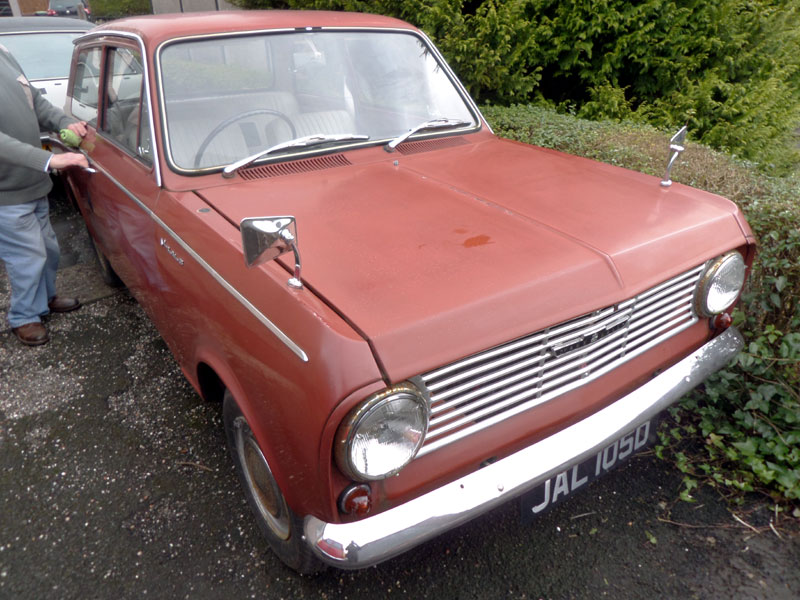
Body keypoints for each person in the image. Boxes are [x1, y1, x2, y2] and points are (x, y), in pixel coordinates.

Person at [0, 42, 89, 346]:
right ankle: (24, 316)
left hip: (33, 183)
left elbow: (35, 102)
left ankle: (45, 299)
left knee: (48, 250)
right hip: (6, 191)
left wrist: (65, 123)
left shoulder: (4, 54)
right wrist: (49, 160)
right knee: (26, 256)